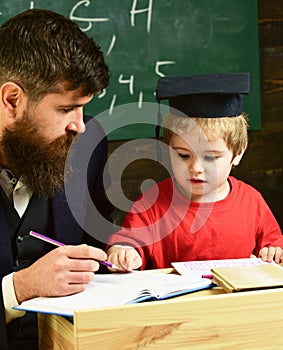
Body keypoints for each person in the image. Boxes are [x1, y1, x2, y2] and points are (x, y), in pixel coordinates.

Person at [0, 9, 114, 349]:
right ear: (12, 100)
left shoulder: (89, 145)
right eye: (66, 109)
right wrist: (19, 288)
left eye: (83, 107)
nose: (79, 125)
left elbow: (101, 249)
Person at [106, 73, 283, 272]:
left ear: (238, 153)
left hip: (236, 302)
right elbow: (128, 242)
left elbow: (274, 246)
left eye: (211, 158)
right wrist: (124, 252)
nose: (196, 168)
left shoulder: (251, 202)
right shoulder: (152, 203)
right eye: (183, 155)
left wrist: (273, 252)